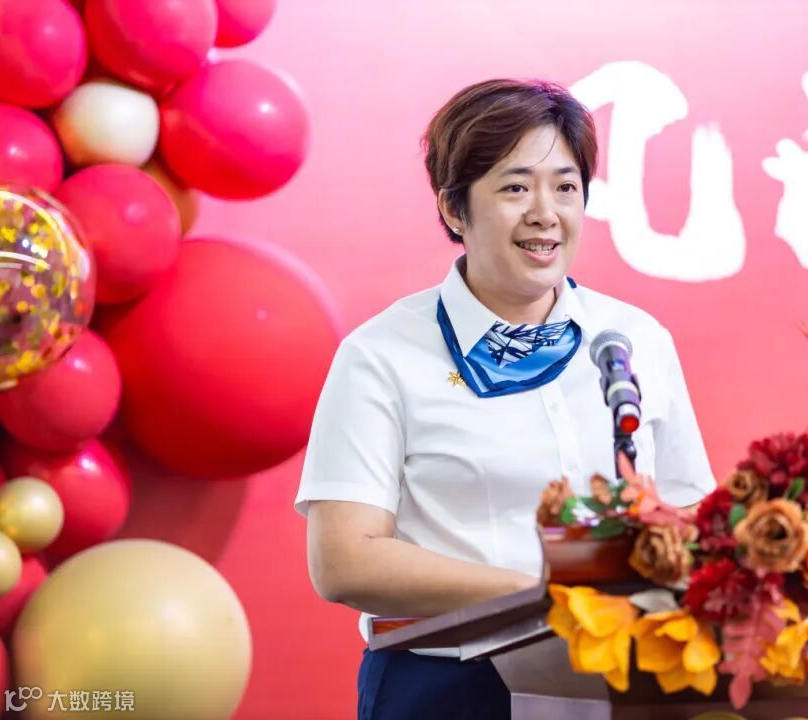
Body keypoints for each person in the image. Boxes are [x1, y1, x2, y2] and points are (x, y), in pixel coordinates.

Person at [295, 78, 715, 720]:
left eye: (565, 188)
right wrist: (544, 598)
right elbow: (344, 559)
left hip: (623, 679)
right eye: (516, 187)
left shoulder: (632, 339)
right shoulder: (382, 354)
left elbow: (689, 509)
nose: (546, 213)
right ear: (454, 209)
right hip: (447, 687)